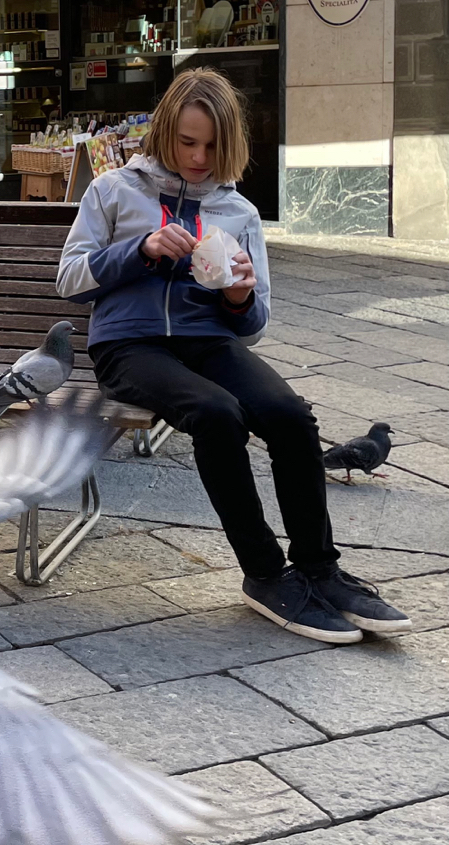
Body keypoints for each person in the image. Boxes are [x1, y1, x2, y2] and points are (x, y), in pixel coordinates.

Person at [57, 68, 410, 643]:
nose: (199, 158)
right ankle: (266, 574)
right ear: (165, 132)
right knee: (217, 414)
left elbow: (253, 326)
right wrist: (141, 249)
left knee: (290, 415)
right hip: (128, 346)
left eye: (213, 145)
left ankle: (319, 570)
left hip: (210, 341)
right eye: (187, 142)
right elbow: (69, 279)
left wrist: (239, 297)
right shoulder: (113, 190)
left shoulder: (238, 211)